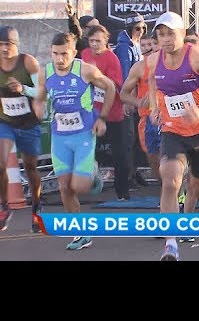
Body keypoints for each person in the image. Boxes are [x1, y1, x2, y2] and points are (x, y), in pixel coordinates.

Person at [147, 12, 199, 261]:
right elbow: (153, 81)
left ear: (182, 34)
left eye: (171, 34)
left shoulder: (196, 57)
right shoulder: (154, 60)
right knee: (170, 180)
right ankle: (171, 243)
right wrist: (154, 107)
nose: (166, 39)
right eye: (161, 34)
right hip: (173, 130)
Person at [35, 32, 116, 250]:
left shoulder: (86, 70)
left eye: (64, 54)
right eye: (55, 54)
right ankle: (81, 233)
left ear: (74, 53)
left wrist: (102, 118)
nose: (59, 59)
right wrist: (38, 109)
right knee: (64, 187)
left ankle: (93, 172)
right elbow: (40, 97)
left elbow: (110, 87)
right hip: (60, 137)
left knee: (79, 187)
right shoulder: (46, 73)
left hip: (83, 136)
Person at [0, 26, 45, 232]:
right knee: (1, 164)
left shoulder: (28, 62)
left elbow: (42, 92)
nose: (3, 49)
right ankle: (4, 207)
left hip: (28, 123)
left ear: (16, 45)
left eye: (7, 44)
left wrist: (23, 89)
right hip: (5, 122)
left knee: (30, 168)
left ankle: (36, 207)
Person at [81, 25, 129, 201]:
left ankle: (122, 192)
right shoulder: (85, 54)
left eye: (98, 41)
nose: (94, 44)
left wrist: (97, 79)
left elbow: (116, 86)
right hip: (91, 113)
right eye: (92, 41)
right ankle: (88, 186)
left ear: (106, 41)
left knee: (119, 154)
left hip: (113, 114)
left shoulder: (112, 58)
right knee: (86, 151)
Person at [119, 33, 162, 182]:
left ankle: (177, 191)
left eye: (151, 44)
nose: (148, 48)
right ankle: (164, 186)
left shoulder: (173, 63)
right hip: (147, 117)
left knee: (173, 157)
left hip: (170, 117)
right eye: (143, 45)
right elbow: (124, 93)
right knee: (152, 155)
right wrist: (136, 102)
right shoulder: (138, 67)